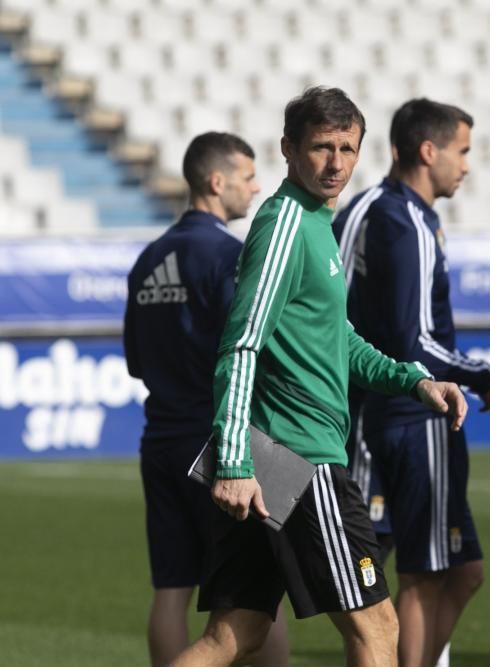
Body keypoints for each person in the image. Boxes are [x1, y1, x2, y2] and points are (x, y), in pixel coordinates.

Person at [170, 87, 468, 667]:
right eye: (321, 147)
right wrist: (233, 463)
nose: (335, 163)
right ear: (288, 149)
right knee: (378, 629)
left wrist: (413, 380)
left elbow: (338, 339)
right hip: (297, 458)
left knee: (234, 637)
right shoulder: (284, 223)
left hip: (272, 455)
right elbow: (241, 344)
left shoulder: (312, 222)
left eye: (347, 149)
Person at [332, 97, 490, 667]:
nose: (468, 165)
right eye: (463, 151)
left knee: (448, 570)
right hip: (411, 415)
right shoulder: (405, 222)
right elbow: (415, 343)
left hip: (362, 414)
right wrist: (479, 374)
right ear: (429, 152)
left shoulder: (362, 209)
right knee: (422, 576)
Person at [123, 132, 289, 667]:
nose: (256, 186)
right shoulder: (230, 255)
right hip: (226, 440)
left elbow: (134, 363)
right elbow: (251, 350)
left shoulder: (149, 258)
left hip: (161, 438)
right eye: (247, 177)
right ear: (217, 183)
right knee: (262, 588)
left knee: (171, 587)